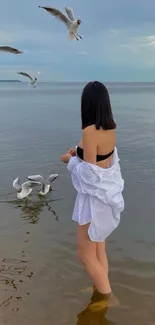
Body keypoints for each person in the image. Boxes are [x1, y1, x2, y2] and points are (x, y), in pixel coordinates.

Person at [61, 81, 124, 308]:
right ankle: (100, 287)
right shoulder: (110, 130)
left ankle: (107, 297)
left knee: (85, 254)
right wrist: (77, 154)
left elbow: (88, 175)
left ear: (87, 105)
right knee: (99, 249)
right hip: (105, 198)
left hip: (92, 202)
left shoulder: (89, 131)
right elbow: (101, 163)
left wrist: (70, 161)